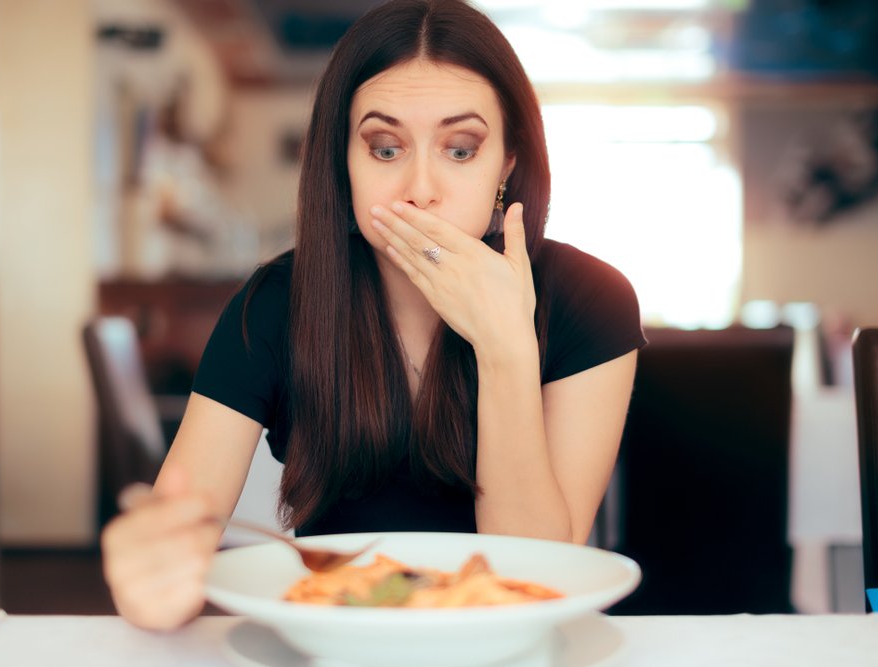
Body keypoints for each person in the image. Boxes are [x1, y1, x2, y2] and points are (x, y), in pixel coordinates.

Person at [102, 0, 646, 630]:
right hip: (331, 636)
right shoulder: (274, 304)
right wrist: (153, 576)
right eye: (385, 149)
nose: (419, 188)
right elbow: (179, 529)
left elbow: (541, 572)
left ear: (509, 164)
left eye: (461, 149)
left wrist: (505, 350)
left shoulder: (592, 300)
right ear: (345, 163)